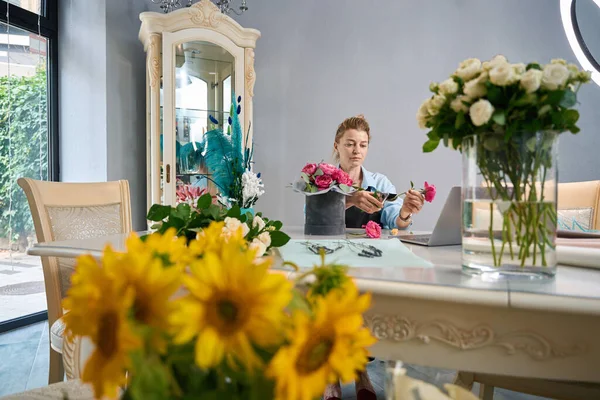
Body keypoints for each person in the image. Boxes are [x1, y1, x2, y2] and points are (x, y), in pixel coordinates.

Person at [323, 115, 426, 400]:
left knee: (365, 308)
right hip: (329, 257)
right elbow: (314, 217)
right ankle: (332, 376)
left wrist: (405, 211)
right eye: (350, 144)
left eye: (363, 145)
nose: (357, 150)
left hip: (369, 258)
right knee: (331, 304)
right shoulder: (323, 180)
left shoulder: (379, 182)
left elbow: (397, 221)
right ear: (337, 145)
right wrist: (350, 199)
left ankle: (359, 370)